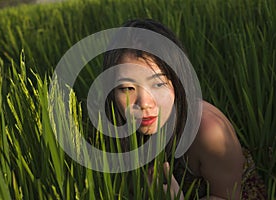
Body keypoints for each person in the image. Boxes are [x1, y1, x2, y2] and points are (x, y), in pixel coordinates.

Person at [102, 19, 266, 199]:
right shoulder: (111, 125)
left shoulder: (209, 132)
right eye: (127, 88)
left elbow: (228, 196)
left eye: (158, 84)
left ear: (177, 81)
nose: (144, 103)